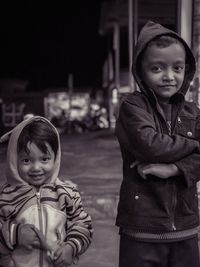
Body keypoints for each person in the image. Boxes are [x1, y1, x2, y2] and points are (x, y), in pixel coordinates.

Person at [115, 20, 200, 267]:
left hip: (186, 227)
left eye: (177, 68)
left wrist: (175, 169)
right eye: (157, 69)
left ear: (187, 70)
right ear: (140, 71)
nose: (169, 76)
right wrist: (194, 145)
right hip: (142, 228)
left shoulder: (192, 111)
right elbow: (150, 144)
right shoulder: (133, 106)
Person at [0, 116, 93, 267]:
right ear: (13, 159)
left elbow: (83, 225)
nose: (36, 168)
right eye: (26, 160)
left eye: (44, 159)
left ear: (55, 158)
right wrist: (14, 234)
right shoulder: (6, 197)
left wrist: (70, 248)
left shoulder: (66, 194)